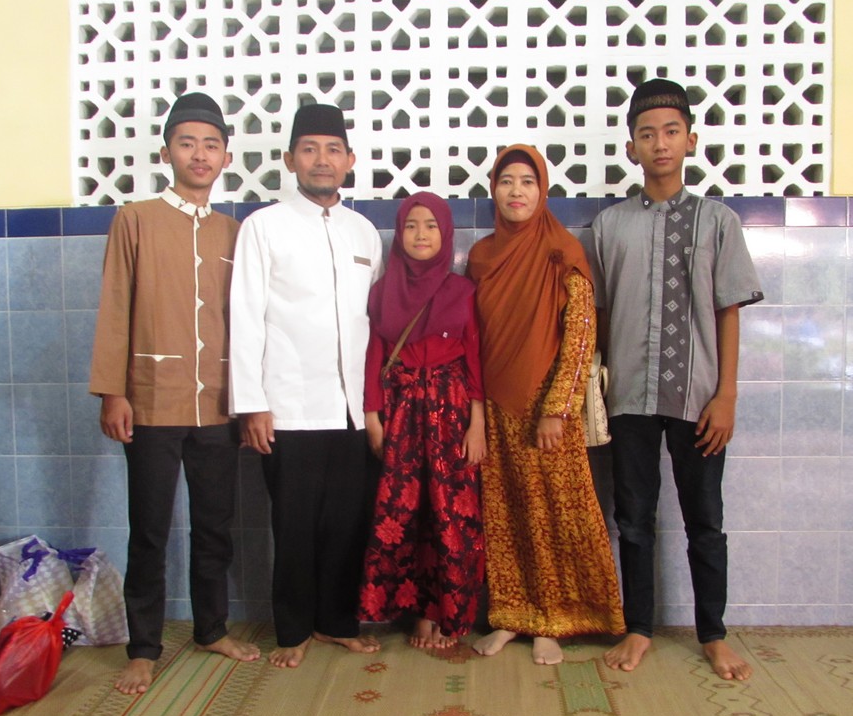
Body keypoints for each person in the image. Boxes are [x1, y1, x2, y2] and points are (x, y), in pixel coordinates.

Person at [591, 78, 764, 681]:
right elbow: (601, 313)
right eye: (647, 134)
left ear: (690, 140)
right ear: (631, 148)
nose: (659, 143)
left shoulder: (718, 222)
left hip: (700, 399)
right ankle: (638, 628)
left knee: (705, 521)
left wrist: (727, 394)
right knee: (633, 519)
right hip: (629, 398)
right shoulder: (609, 226)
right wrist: (599, 387)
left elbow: (729, 311)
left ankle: (713, 635)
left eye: (670, 132)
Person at [89, 92, 261, 695]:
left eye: (211, 145)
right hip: (151, 401)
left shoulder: (235, 232)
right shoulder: (134, 219)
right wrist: (113, 392)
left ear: (226, 157)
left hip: (217, 404)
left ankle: (211, 629)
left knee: (214, 526)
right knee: (150, 530)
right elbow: (115, 306)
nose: (200, 154)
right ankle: (143, 648)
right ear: (167, 153)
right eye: (188, 143)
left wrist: (247, 401)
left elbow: (249, 323)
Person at [229, 103, 384, 668]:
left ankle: (336, 622)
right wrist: (252, 404)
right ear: (290, 158)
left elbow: (374, 323)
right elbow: (245, 316)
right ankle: (293, 630)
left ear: (350, 160)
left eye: (333, 150)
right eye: (310, 149)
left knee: (346, 524)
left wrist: (374, 406)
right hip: (288, 407)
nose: (323, 160)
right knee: (293, 526)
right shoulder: (263, 227)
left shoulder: (364, 231)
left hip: (352, 411)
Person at [467, 145, 625, 666]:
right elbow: (473, 337)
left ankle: (553, 620)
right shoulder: (482, 257)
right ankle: (512, 616)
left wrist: (558, 409)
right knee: (505, 514)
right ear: (493, 189)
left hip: (545, 409)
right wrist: (476, 411)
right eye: (506, 181)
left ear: (543, 190)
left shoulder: (562, 250)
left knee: (552, 514)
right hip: (495, 408)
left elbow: (581, 335)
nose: (516, 191)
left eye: (527, 181)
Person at [357, 192, 486, 650]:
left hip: (452, 413)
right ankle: (417, 611)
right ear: (399, 234)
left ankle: (445, 614)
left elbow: (474, 358)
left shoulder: (462, 291)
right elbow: (374, 357)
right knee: (405, 513)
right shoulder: (382, 292)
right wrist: (372, 416)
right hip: (402, 414)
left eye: (431, 225)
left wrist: (478, 423)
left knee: (451, 514)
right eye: (411, 225)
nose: (421, 234)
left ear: (446, 233)